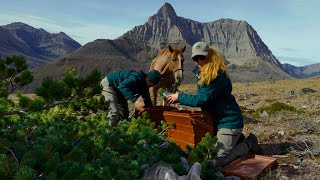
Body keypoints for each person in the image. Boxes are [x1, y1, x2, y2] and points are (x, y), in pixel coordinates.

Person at [167, 41, 261, 167]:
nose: (198, 61)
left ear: (209, 55)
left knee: (216, 162)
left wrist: (180, 97)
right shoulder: (204, 72)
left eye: (201, 57)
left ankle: (249, 143)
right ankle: (236, 139)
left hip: (229, 122)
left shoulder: (215, 74)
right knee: (204, 152)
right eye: (195, 58)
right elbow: (207, 96)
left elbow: (202, 99)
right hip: (218, 121)